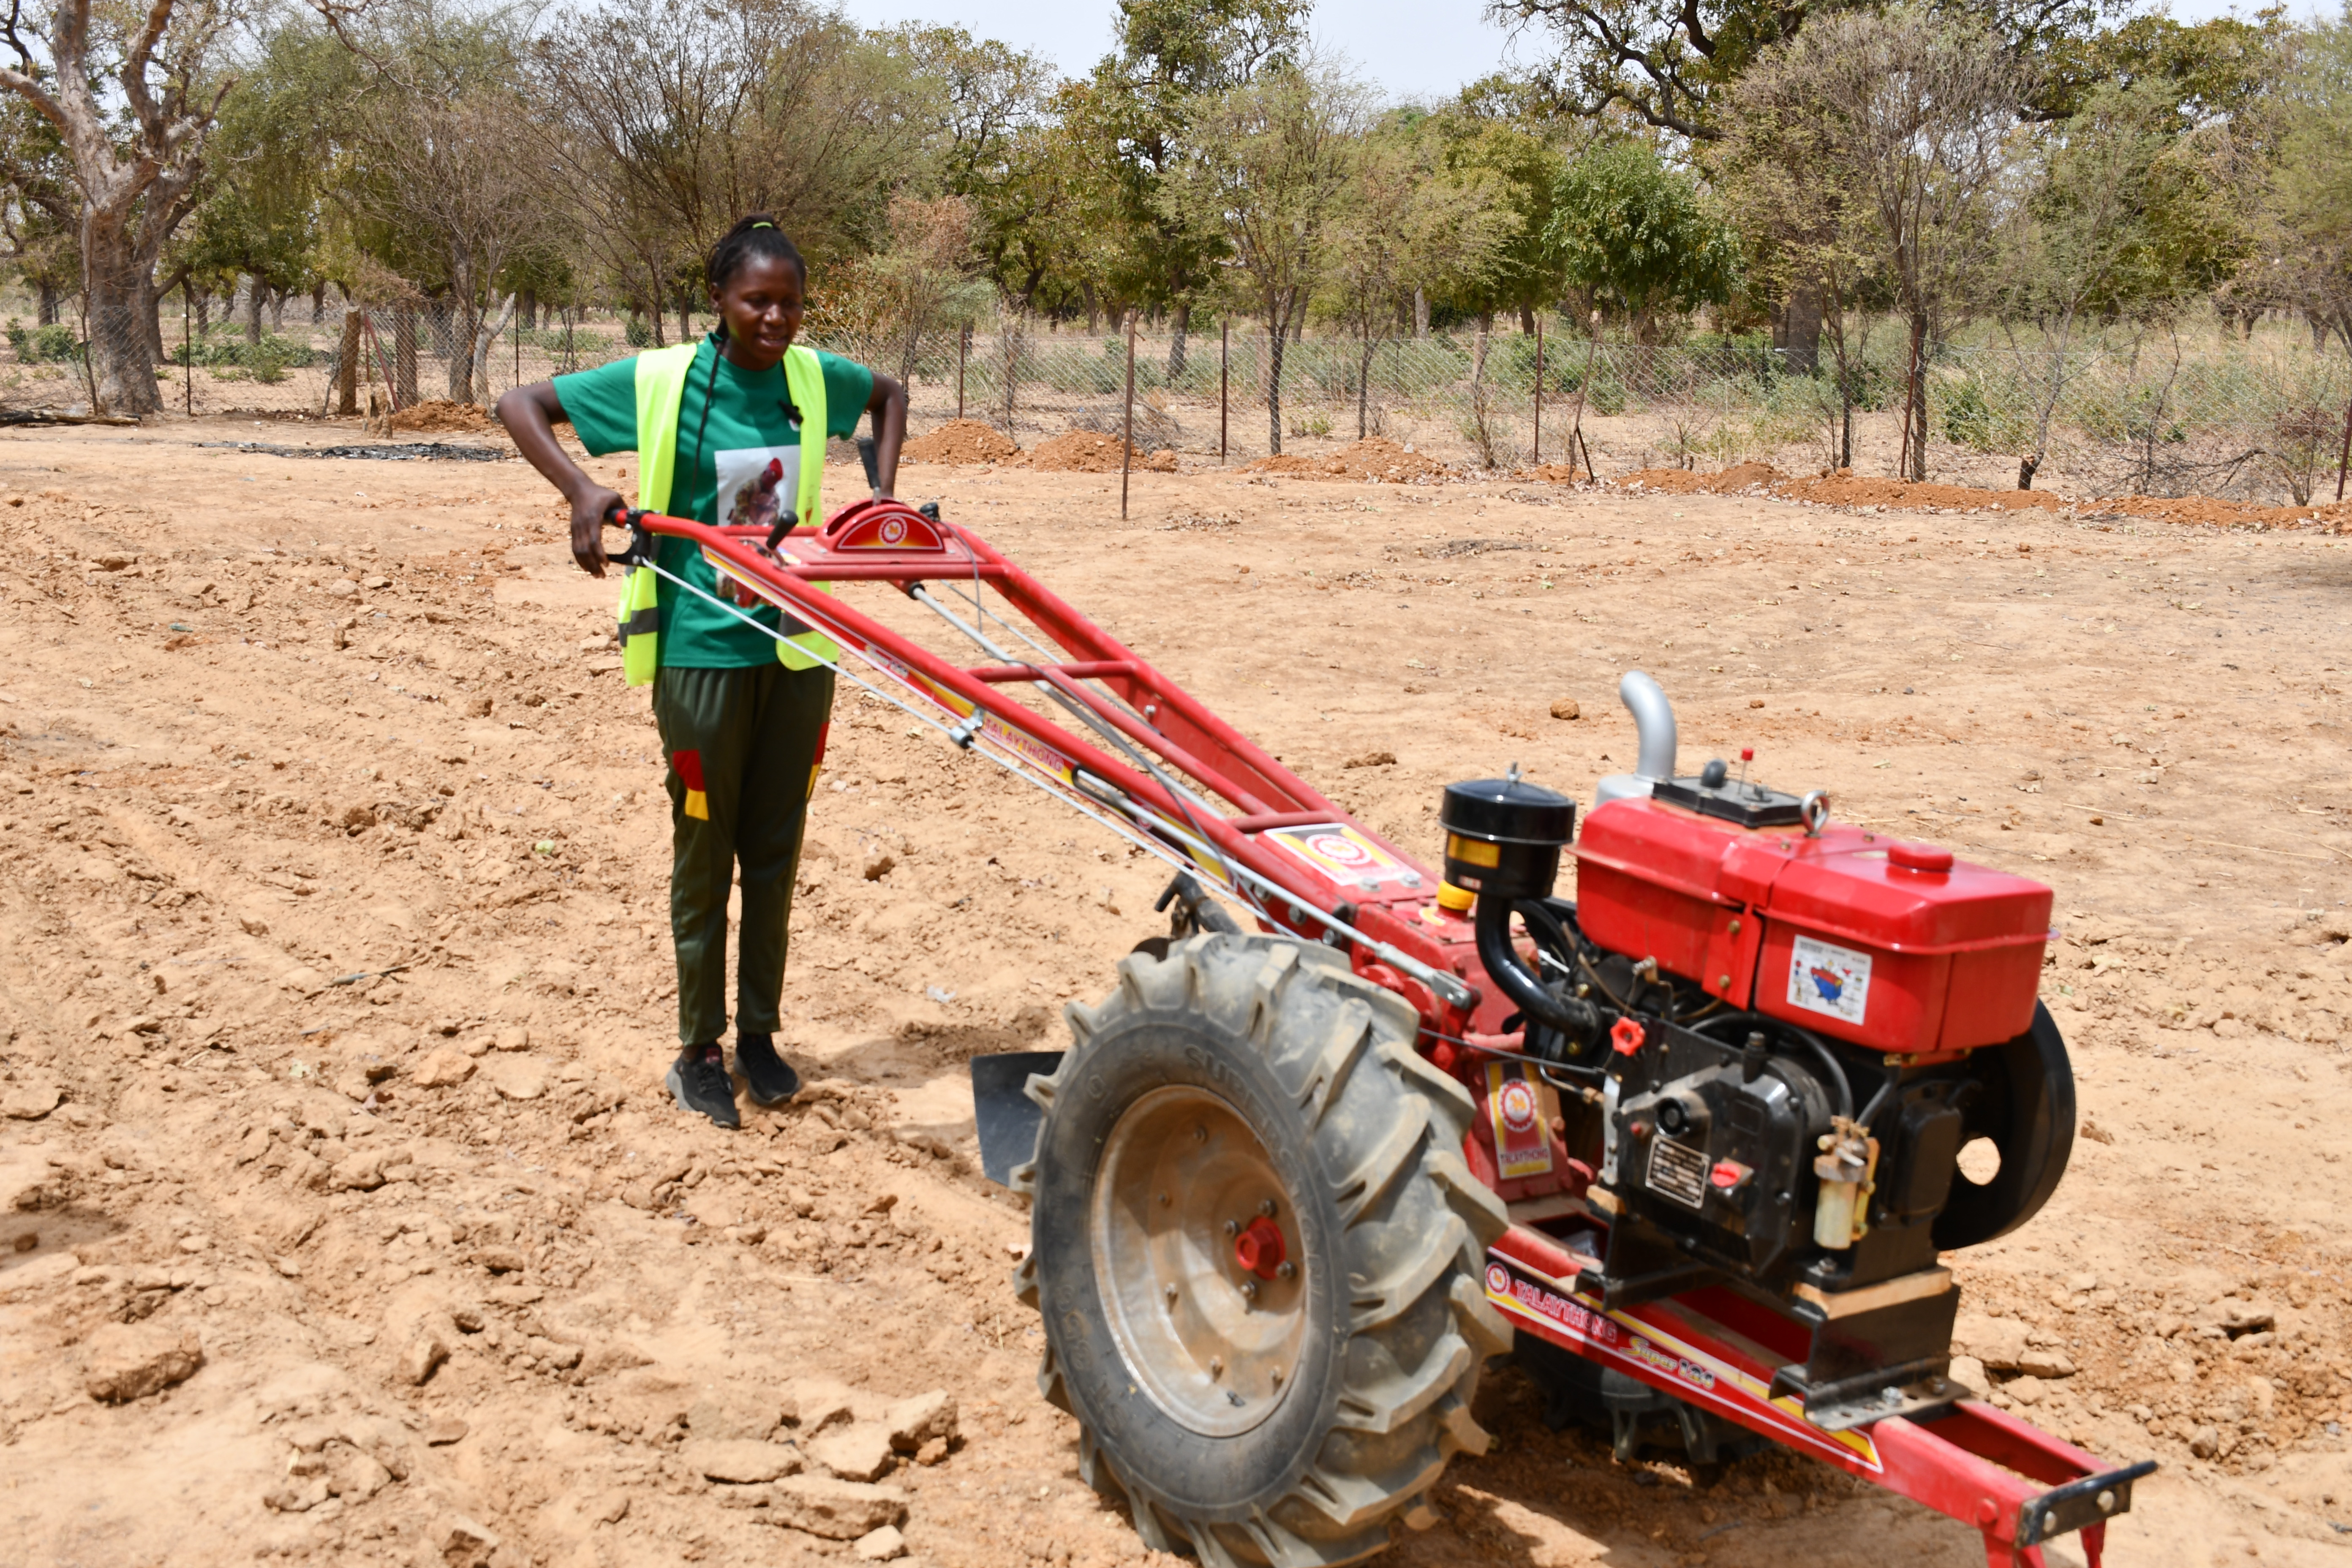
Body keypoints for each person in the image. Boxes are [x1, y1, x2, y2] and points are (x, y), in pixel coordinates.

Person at [497, 215, 907, 1130]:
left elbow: (889, 393)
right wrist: (582, 490)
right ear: (718, 300)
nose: (776, 319)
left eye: (790, 303)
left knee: (775, 848)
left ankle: (760, 1035)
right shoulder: (661, 378)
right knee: (704, 848)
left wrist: (881, 499)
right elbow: (519, 405)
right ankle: (699, 1047)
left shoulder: (813, 377)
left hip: (796, 647)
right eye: (757, 300)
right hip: (700, 647)